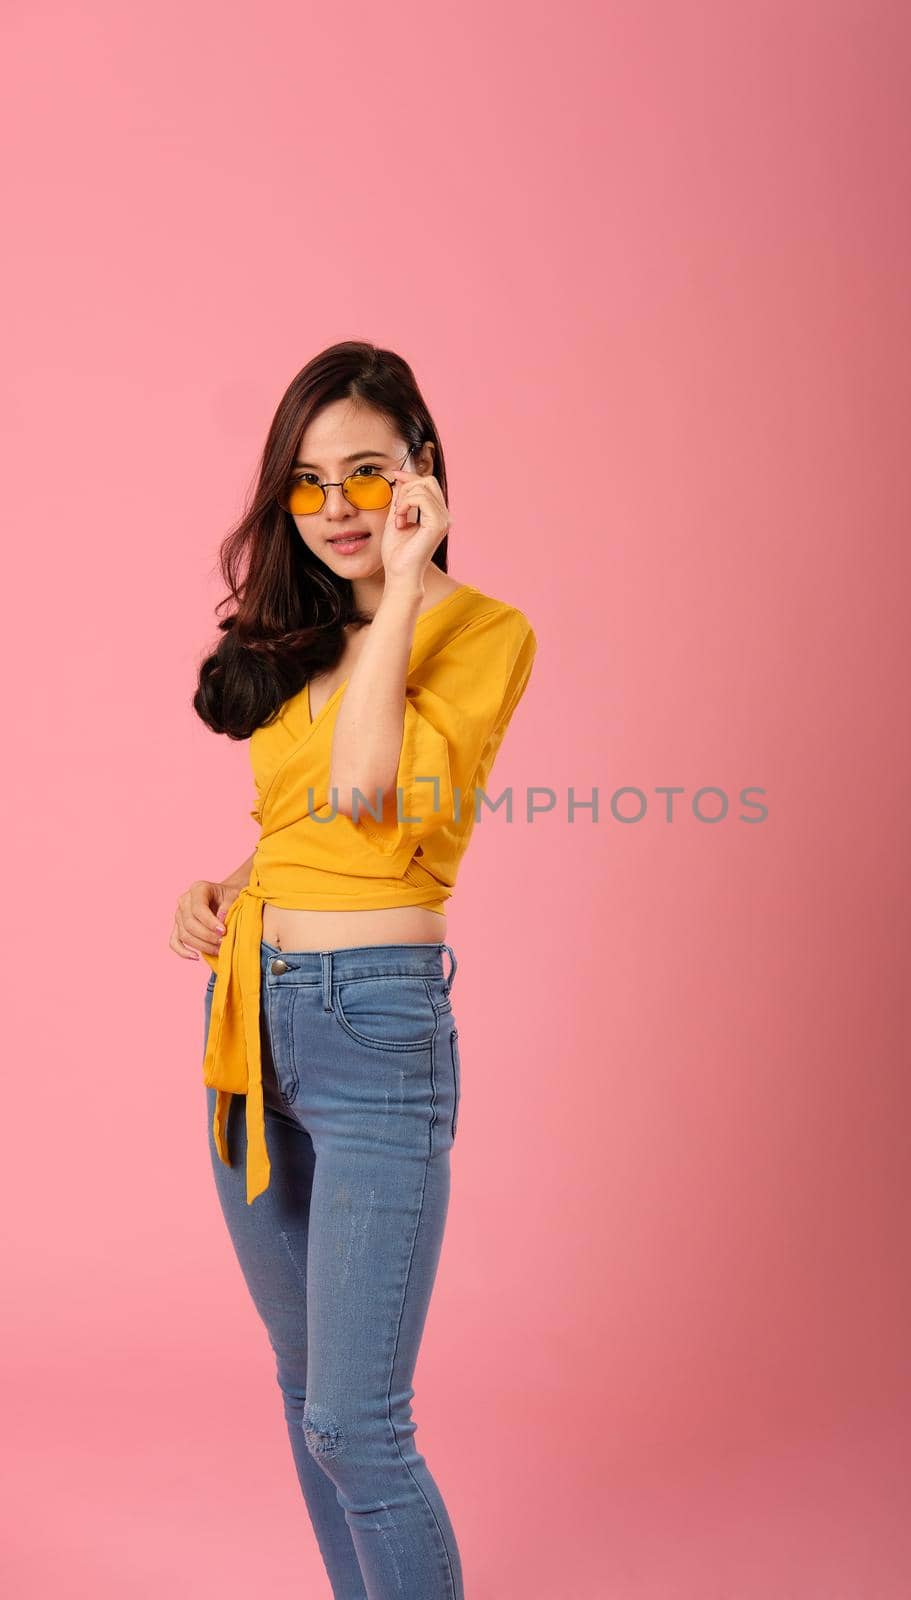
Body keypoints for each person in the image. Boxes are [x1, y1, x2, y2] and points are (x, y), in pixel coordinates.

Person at [171, 340, 537, 1600]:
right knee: (300, 1382)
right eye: (310, 483)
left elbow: (371, 786)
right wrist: (222, 890)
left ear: (421, 475)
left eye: (368, 473)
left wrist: (405, 583)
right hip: (248, 1021)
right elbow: (304, 829)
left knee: (354, 1422)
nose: (335, 508)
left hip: (377, 1035)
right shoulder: (295, 637)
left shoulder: (484, 633)